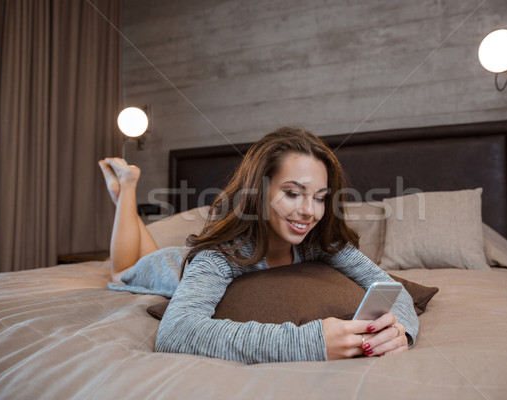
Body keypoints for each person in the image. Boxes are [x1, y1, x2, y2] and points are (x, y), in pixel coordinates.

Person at [99, 127, 419, 364]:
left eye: (320, 197)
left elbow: (392, 289)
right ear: (259, 192)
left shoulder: (320, 243)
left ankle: (124, 195)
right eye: (292, 193)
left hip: (185, 256)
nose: (309, 211)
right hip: (170, 264)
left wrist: (398, 332)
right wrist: (311, 342)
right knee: (122, 270)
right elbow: (176, 331)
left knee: (142, 251)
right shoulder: (221, 255)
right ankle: (126, 188)